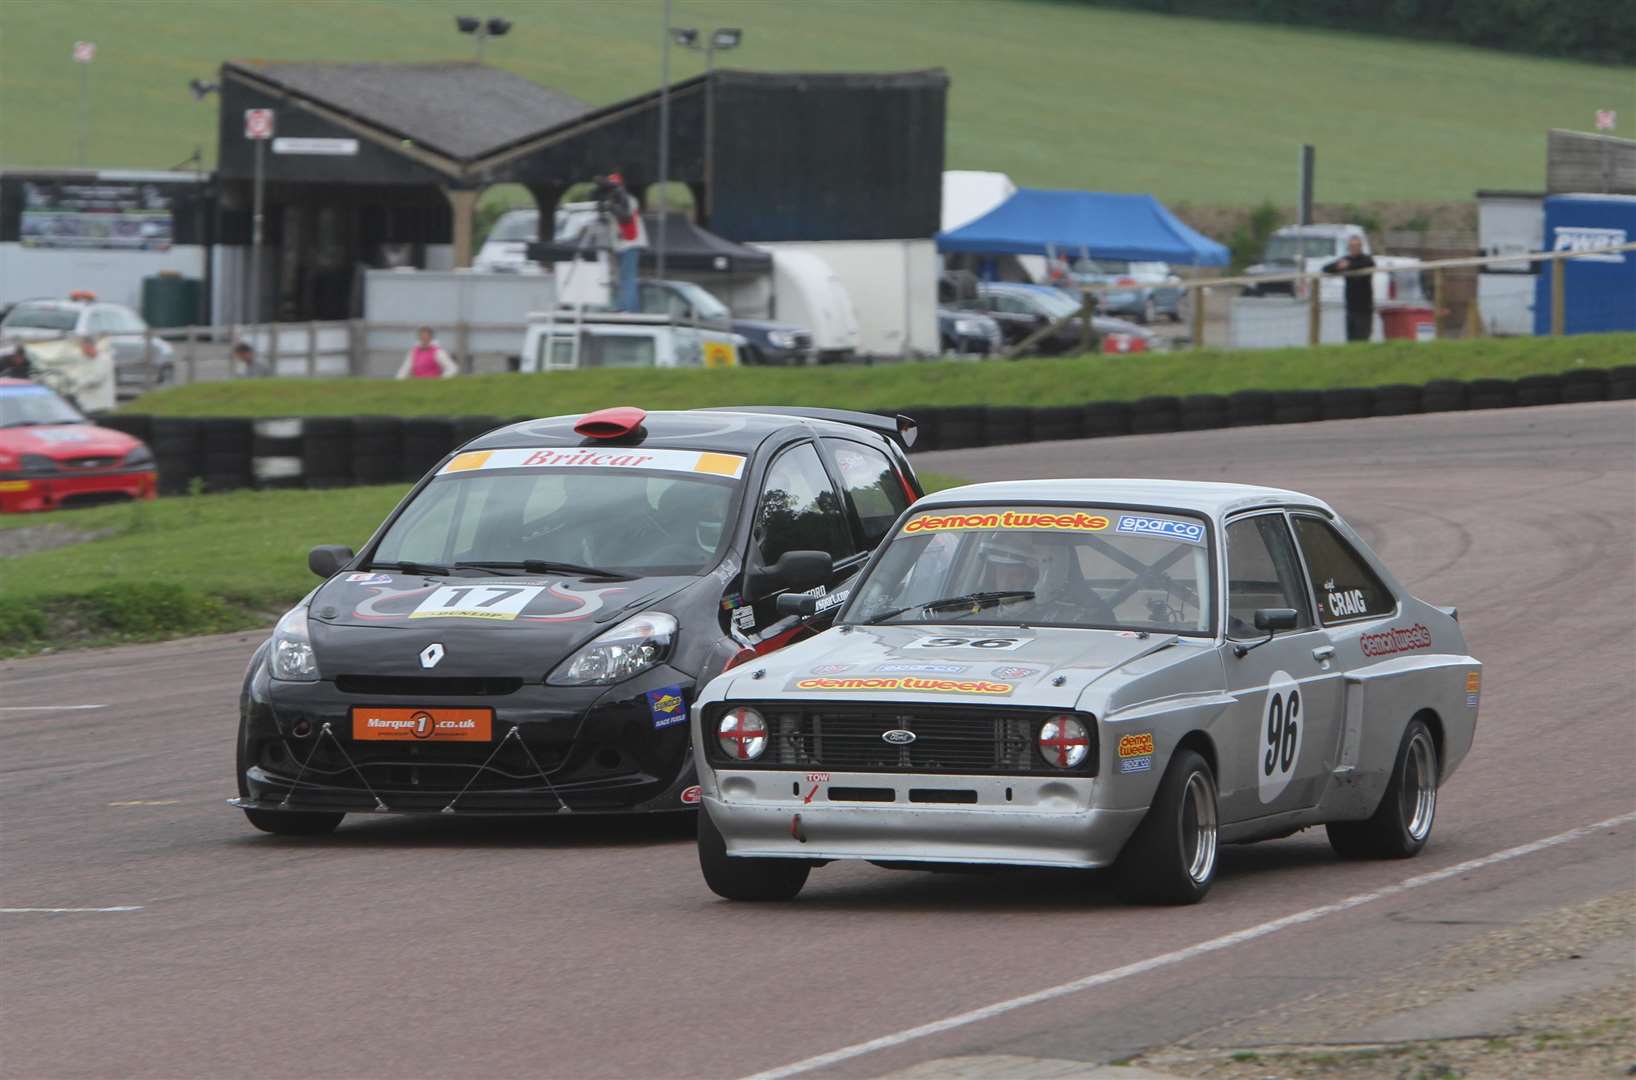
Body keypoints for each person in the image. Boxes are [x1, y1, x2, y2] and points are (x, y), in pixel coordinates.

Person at [1323, 236, 1377, 343]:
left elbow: (1366, 264)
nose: (1353, 248)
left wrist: (1348, 265)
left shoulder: (1366, 259)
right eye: (1351, 246)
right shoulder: (1346, 260)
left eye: (1356, 246)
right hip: (1350, 307)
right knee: (1351, 339)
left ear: (1360, 247)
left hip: (1364, 308)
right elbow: (1326, 268)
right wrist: (1340, 267)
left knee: (1363, 338)